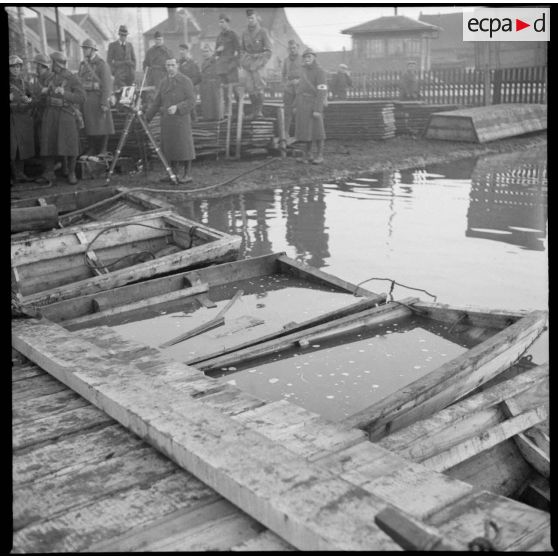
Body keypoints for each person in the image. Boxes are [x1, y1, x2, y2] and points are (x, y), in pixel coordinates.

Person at [144, 58, 196, 184]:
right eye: (168, 65)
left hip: (181, 120)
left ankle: (187, 174)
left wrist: (178, 107)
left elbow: (191, 100)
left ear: (177, 66)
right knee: (170, 147)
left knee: (185, 147)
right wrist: (146, 118)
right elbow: (156, 102)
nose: (170, 68)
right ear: (165, 67)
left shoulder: (185, 81)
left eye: (173, 65)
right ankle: (173, 174)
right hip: (167, 121)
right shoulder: (163, 82)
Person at [40, 51, 86, 185]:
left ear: (57, 64)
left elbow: (82, 98)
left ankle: (71, 173)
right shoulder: (49, 78)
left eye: (51, 62)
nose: (49, 65)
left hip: (66, 113)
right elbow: (43, 97)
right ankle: (49, 173)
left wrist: (64, 93)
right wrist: (44, 93)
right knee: (48, 142)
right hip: (50, 113)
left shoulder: (72, 78)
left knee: (70, 144)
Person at [78, 38, 115, 157]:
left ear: (93, 50)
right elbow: (79, 81)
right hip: (86, 100)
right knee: (89, 125)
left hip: (98, 99)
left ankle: (103, 149)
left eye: (86, 48)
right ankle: (92, 148)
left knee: (103, 125)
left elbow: (107, 85)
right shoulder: (82, 65)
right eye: (84, 48)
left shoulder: (102, 64)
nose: (84, 51)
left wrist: (104, 102)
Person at [294, 48, 328, 165]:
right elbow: (299, 89)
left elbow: (322, 91)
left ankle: (320, 155)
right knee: (305, 130)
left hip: (314, 103)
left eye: (309, 57)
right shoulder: (303, 70)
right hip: (302, 104)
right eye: (305, 57)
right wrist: (296, 105)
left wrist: (318, 109)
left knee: (318, 131)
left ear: (314, 58)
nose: (307, 59)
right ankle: (308, 155)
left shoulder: (320, 71)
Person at [240, 8, 272, 120]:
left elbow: (268, 51)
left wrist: (259, 63)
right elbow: (242, 50)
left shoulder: (263, 32)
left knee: (259, 87)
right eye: (249, 18)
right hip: (248, 64)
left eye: (252, 18)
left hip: (259, 64)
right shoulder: (244, 33)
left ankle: (259, 112)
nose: (250, 20)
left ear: (256, 18)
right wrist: (245, 62)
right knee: (250, 88)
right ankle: (254, 111)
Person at [10, 55, 35, 184]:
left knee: (22, 148)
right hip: (11, 119)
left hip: (23, 119)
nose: (16, 69)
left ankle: (19, 174)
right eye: (13, 67)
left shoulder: (24, 83)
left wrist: (29, 100)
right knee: (12, 147)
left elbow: (33, 98)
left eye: (18, 67)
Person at [281, 39, 303, 139]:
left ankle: (300, 133)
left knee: (299, 110)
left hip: (300, 88)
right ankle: (286, 133)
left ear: (297, 48)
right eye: (290, 48)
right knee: (287, 111)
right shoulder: (286, 60)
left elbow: (307, 74)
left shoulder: (303, 59)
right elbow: (283, 74)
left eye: (294, 48)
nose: (292, 50)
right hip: (289, 88)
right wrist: (285, 85)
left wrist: (299, 81)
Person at [107, 24, 136, 90]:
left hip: (130, 74)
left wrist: (133, 70)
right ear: (119, 35)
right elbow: (109, 61)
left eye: (125, 35)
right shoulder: (112, 45)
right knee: (120, 91)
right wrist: (113, 72)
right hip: (118, 74)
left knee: (130, 91)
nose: (123, 37)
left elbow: (134, 59)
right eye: (122, 35)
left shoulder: (130, 45)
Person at [214, 13, 240, 87]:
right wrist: (218, 51)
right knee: (224, 91)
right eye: (219, 22)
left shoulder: (233, 35)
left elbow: (239, 51)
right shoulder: (219, 37)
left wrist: (233, 64)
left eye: (222, 22)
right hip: (222, 69)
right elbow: (216, 53)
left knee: (233, 90)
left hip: (231, 69)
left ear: (227, 23)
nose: (220, 24)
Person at [199, 45, 223, 121]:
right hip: (205, 86)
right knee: (207, 104)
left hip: (213, 85)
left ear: (212, 52)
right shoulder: (204, 62)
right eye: (203, 52)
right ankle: (208, 119)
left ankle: (216, 119)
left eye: (207, 51)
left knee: (215, 104)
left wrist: (217, 83)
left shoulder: (215, 60)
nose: (205, 53)